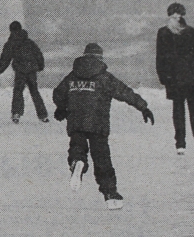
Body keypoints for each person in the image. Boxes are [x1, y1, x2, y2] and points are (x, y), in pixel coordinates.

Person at [52, 43, 155, 210]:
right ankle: (110, 195)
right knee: (102, 158)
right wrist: (143, 107)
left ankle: (78, 162)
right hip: (98, 123)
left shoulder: (72, 76)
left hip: (76, 120)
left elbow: (58, 94)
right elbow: (125, 92)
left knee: (77, 146)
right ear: (100, 58)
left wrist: (62, 108)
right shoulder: (105, 77)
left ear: (84, 56)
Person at [155, 2, 194, 155]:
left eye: (177, 14)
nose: (175, 17)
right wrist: (163, 76)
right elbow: (160, 58)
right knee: (183, 110)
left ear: (181, 15)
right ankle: (187, 144)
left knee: (186, 110)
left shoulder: (183, 33)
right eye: (173, 15)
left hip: (182, 78)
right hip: (181, 78)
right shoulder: (166, 33)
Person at [0, 20, 49, 123]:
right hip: (32, 70)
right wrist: (40, 66)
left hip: (20, 71)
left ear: (11, 30)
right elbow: (38, 54)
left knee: (18, 92)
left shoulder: (11, 43)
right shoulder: (29, 42)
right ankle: (43, 115)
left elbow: (5, 58)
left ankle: (16, 113)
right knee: (34, 92)